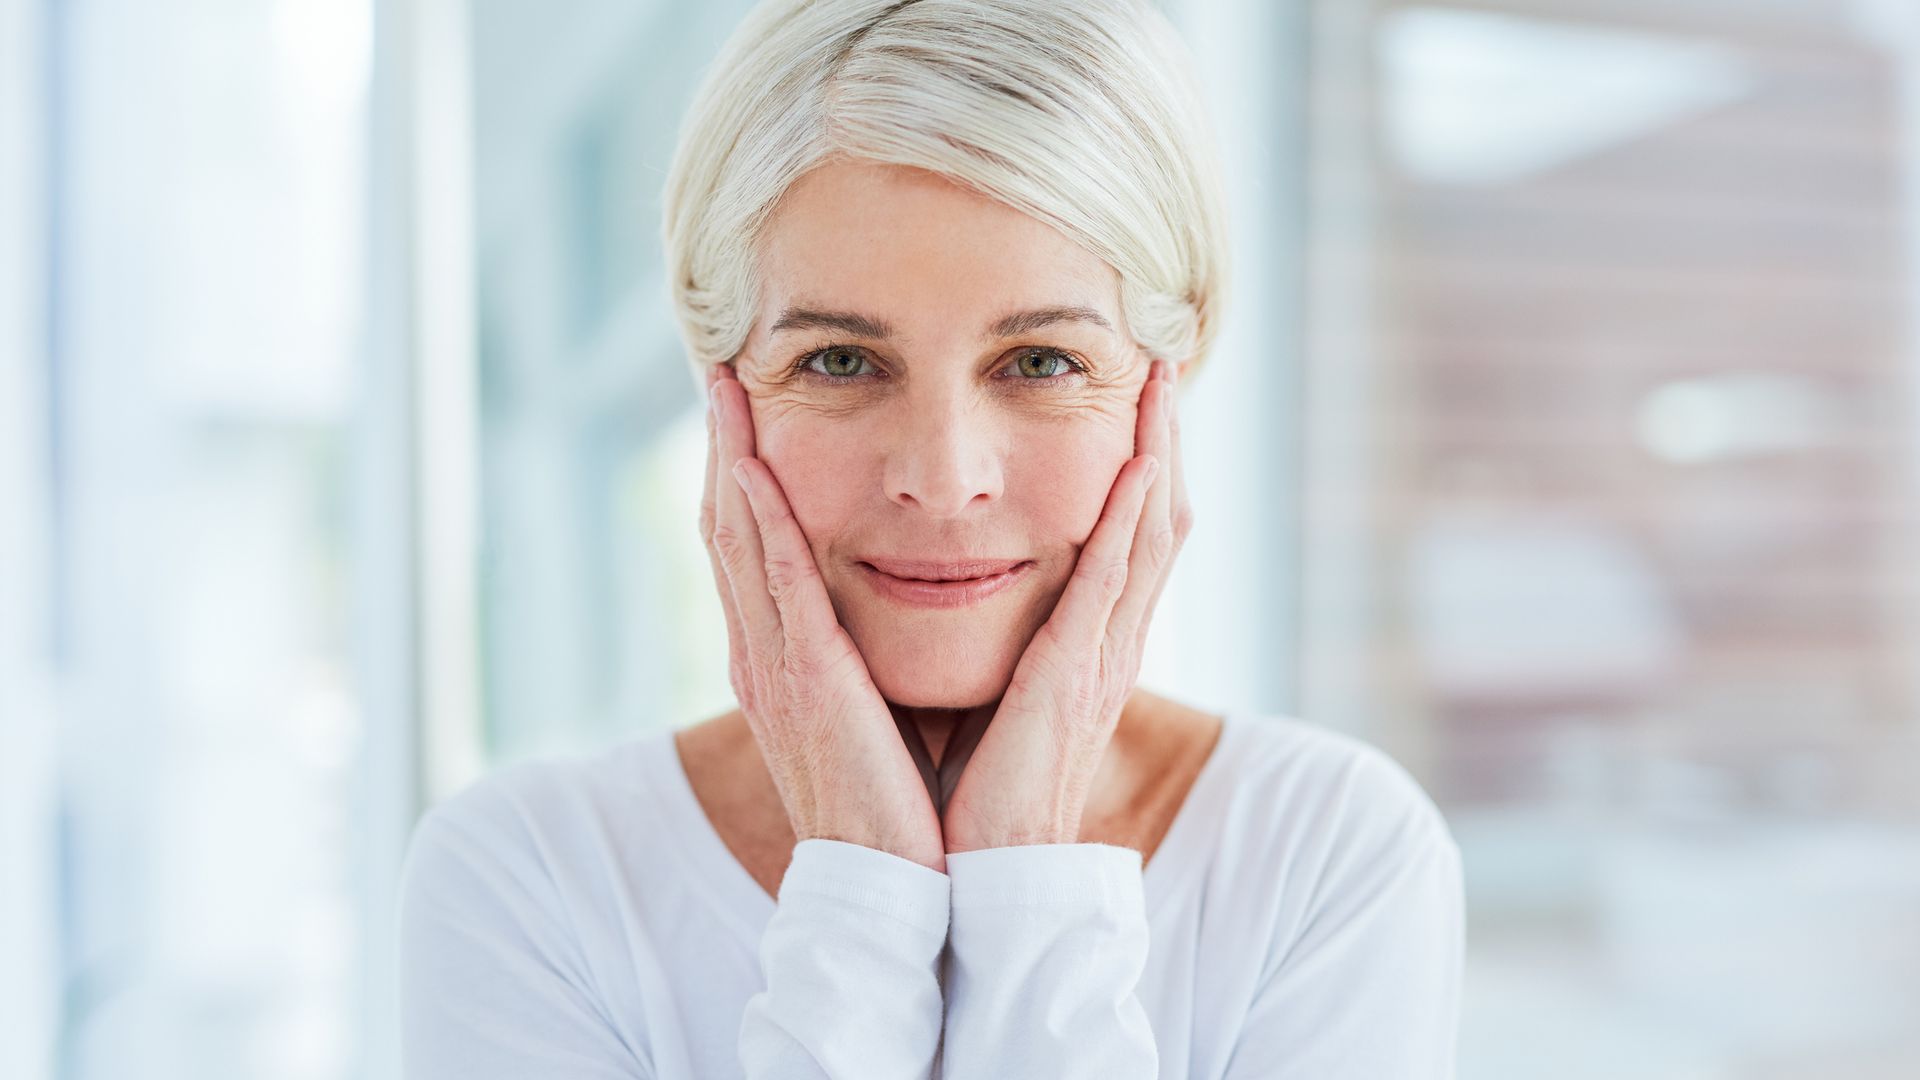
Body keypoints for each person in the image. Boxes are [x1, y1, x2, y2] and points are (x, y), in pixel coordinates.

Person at [397, 1, 1464, 1077]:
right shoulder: (528, 879)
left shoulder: (1326, 854)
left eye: (1041, 361)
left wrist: (1028, 876)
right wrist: (860, 888)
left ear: (1161, 395)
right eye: (842, 363)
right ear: (722, 392)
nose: (946, 482)